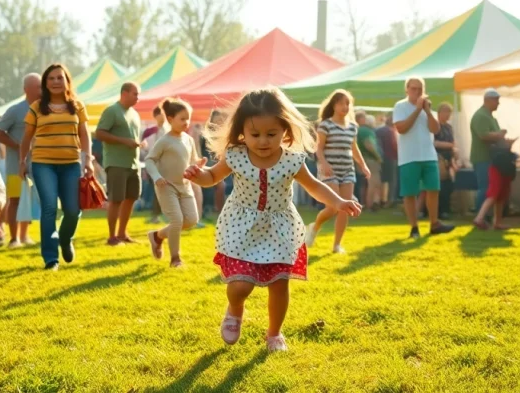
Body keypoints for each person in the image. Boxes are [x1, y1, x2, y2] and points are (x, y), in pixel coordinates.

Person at [184, 88, 362, 353]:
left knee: (279, 284)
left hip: (280, 229)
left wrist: (337, 201)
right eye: (255, 134)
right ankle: (234, 309)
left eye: (271, 134)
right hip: (241, 228)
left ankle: (274, 334)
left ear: (285, 131)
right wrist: (199, 176)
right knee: (240, 286)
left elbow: (314, 186)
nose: (263, 141)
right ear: (242, 131)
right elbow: (212, 177)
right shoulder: (236, 155)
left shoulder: (292, 161)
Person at [19, 63, 91, 270]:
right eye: (51, 78)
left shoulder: (77, 105)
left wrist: (88, 161)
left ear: (67, 81)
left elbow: (85, 135)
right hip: (43, 164)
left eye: (60, 78)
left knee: (72, 210)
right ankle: (51, 258)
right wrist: (22, 162)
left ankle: (66, 238)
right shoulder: (36, 107)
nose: (56, 82)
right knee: (49, 208)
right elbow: (26, 138)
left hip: (71, 164)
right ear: (45, 83)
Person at [305, 89, 371, 254]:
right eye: (341, 103)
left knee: (345, 207)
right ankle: (315, 227)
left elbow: (354, 148)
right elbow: (318, 148)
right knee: (333, 207)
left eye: (347, 103)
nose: (345, 106)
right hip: (329, 171)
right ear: (334, 105)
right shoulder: (325, 124)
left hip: (347, 170)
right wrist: (324, 162)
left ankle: (337, 245)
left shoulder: (352, 127)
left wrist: (363, 165)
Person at [393, 78, 455, 238]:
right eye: (413, 89)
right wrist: (417, 110)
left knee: (433, 189)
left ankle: (434, 223)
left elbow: (435, 129)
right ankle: (414, 227)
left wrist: (426, 111)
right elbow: (401, 128)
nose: (417, 92)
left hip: (428, 155)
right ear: (407, 89)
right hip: (409, 156)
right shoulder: (400, 106)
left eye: (420, 89)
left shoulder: (428, 108)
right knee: (410, 193)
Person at [145, 98, 201, 267]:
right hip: (166, 186)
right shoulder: (164, 141)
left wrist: (200, 164)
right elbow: (149, 160)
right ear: (170, 119)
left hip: (185, 186)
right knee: (176, 220)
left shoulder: (189, 140)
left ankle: (157, 236)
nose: (186, 122)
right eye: (182, 118)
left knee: (191, 220)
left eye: (188, 118)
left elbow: (192, 160)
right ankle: (175, 259)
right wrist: (157, 177)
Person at [0, 74, 41, 248]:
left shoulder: (44, 109)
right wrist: (18, 145)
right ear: (26, 89)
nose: (41, 90)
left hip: (38, 164)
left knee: (29, 199)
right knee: (15, 200)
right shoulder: (15, 110)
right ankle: (13, 239)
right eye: (38, 87)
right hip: (15, 165)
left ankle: (24, 235)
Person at [94, 82, 143, 245]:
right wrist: (123, 141)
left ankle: (122, 233)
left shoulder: (134, 114)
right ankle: (112, 236)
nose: (138, 97)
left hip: (134, 164)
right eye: (135, 94)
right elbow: (99, 133)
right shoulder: (112, 111)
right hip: (116, 163)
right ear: (124, 93)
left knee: (131, 197)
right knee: (116, 199)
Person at [470, 89, 508, 213]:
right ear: (487, 100)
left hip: (491, 158)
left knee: (491, 188)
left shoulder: (490, 117)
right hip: (482, 158)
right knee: (485, 187)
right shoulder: (480, 116)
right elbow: (483, 135)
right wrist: (499, 135)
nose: (498, 103)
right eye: (496, 100)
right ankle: (481, 216)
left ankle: (486, 216)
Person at [140, 105, 166, 223]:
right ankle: (155, 215)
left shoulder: (168, 130)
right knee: (157, 190)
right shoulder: (150, 131)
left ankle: (159, 215)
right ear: (156, 116)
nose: (163, 116)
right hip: (153, 165)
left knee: (162, 190)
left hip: (165, 165)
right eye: (160, 113)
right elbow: (144, 149)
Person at [433, 103, 458, 219]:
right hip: (438, 158)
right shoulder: (435, 126)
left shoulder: (449, 127)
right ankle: (439, 211)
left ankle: (446, 209)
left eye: (449, 112)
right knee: (440, 185)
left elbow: (453, 143)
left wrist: (454, 155)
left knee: (449, 185)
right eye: (446, 112)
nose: (448, 115)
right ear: (439, 113)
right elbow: (434, 143)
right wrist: (449, 145)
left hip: (449, 159)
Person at [355, 111, 382, 210]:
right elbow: (369, 145)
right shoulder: (366, 131)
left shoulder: (357, 130)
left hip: (362, 159)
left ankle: (364, 203)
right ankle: (371, 205)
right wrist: (378, 156)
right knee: (373, 182)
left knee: (364, 184)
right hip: (370, 159)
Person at [376, 115, 398, 207]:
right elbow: (394, 144)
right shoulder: (392, 131)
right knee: (392, 180)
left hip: (380, 157)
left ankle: (381, 199)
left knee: (382, 179)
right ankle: (390, 200)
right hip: (391, 157)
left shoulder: (378, 130)